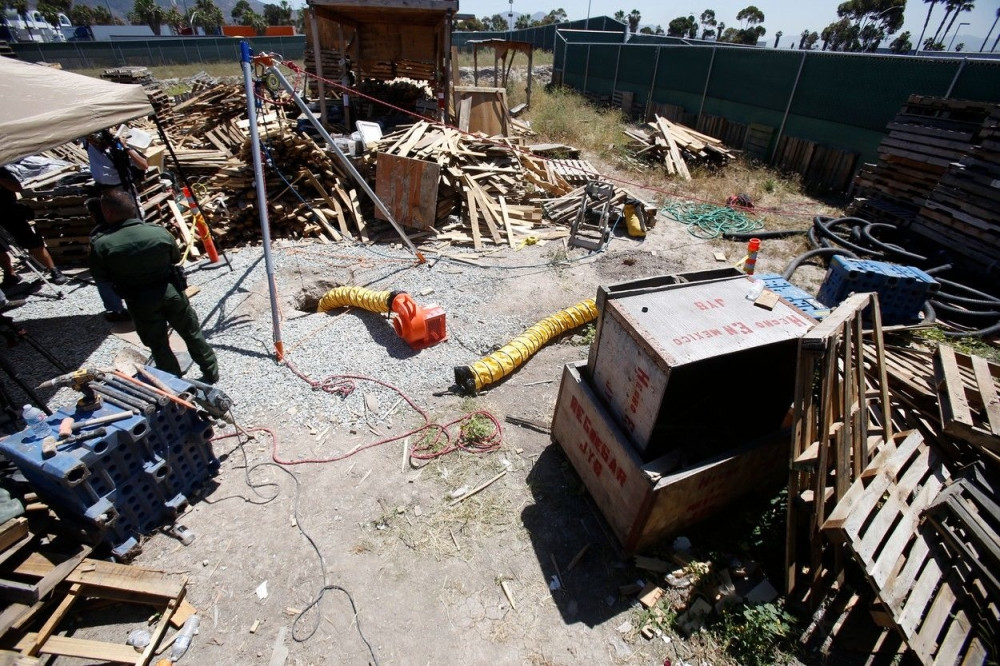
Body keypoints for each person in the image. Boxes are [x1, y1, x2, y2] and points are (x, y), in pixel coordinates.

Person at [90, 189, 218, 383]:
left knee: (158, 344)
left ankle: (174, 382)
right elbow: (175, 258)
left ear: (107, 213)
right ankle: (211, 372)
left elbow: (101, 276)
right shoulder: (158, 232)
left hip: (139, 301)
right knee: (192, 333)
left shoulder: (102, 245)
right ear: (133, 209)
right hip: (171, 293)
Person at [0, 166, 68, 286]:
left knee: (33, 244)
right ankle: (10, 274)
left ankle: (54, 270)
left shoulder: (1, 171)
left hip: (10, 214)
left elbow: (17, 187)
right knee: (0, 249)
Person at [85, 198, 130, 322]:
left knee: (101, 278)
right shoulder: (126, 224)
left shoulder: (96, 234)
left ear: (94, 214)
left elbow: (95, 260)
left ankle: (116, 310)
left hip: (116, 271)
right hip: (135, 265)